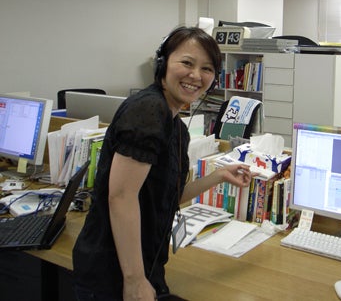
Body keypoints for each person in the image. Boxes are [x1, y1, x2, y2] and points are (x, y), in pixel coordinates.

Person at [72, 26, 253, 301]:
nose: (196, 76)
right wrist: (134, 280)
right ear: (162, 64)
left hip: (143, 265)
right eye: (187, 63)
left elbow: (168, 196)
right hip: (111, 272)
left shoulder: (176, 127)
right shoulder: (149, 110)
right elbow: (121, 197)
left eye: (206, 69)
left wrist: (219, 176)